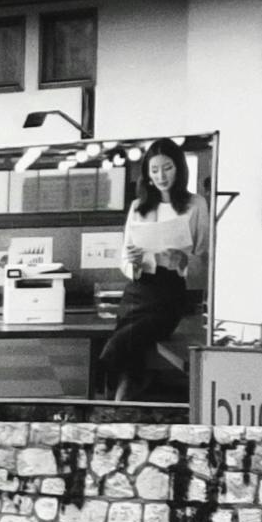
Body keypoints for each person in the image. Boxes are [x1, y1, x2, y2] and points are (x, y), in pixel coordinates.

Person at [98, 139, 201, 402]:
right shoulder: (137, 207)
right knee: (128, 352)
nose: (161, 176)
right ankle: (120, 406)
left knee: (116, 348)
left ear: (179, 168)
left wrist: (183, 260)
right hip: (136, 293)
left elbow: (206, 258)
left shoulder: (195, 204)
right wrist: (131, 260)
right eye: (154, 170)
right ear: (147, 174)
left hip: (169, 295)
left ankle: (117, 404)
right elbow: (124, 260)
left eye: (167, 168)